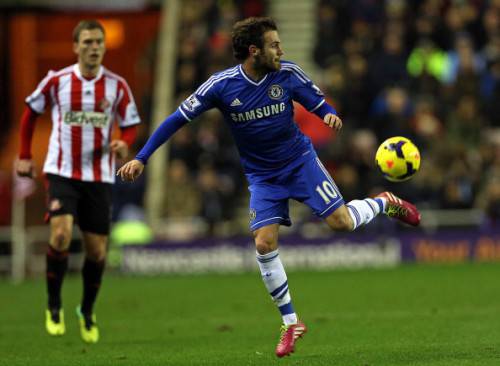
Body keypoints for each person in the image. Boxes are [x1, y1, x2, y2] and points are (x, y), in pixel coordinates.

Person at [117, 17, 421, 357]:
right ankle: (291, 322)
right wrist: (142, 157)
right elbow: (176, 119)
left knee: (341, 223)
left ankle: (383, 202)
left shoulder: (287, 73)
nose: (281, 49)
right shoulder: (221, 85)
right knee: (263, 243)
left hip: (300, 162)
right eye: (274, 45)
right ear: (254, 51)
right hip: (262, 177)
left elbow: (316, 102)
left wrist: (328, 115)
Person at [16, 20, 140, 343]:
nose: (94, 47)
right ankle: (53, 305)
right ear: (76, 47)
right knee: (60, 234)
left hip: (98, 176)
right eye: (87, 42)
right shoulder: (57, 81)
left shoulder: (117, 85)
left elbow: (130, 125)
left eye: (98, 42)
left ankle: (86, 310)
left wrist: (125, 142)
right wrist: (25, 155)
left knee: (97, 251)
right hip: (62, 170)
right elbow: (30, 114)